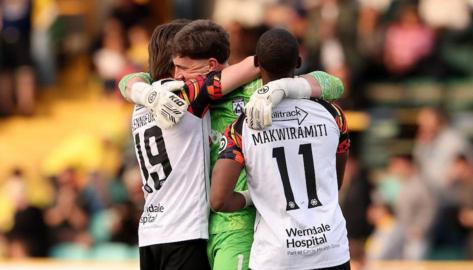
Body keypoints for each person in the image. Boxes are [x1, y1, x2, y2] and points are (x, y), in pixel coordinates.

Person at [119, 19, 345, 270]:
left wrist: (283, 86)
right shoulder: (186, 96)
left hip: (236, 227)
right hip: (200, 228)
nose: (178, 75)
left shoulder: (255, 90)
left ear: (210, 65)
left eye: (183, 66)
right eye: (175, 67)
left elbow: (332, 84)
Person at [210, 28, 351, 270]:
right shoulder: (333, 114)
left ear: (256, 64)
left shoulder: (242, 128)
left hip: (276, 257)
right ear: (298, 62)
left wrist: (251, 197)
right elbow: (335, 182)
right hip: (331, 251)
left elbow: (219, 200)